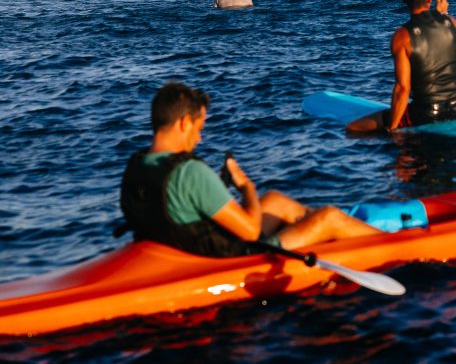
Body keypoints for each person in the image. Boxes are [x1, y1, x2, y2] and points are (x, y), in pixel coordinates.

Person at [120, 82, 379, 257]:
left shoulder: (137, 165)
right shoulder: (189, 172)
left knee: (275, 201)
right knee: (328, 217)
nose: (198, 139)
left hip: (181, 245)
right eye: (199, 128)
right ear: (185, 122)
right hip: (232, 256)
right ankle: (397, 245)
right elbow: (251, 232)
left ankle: (336, 235)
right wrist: (246, 187)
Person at [348, 0, 456, 133]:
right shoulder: (451, 23)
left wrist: (392, 128)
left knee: (353, 128)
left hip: (426, 114)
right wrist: (443, 13)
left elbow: (402, 88)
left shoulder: (402, 36)